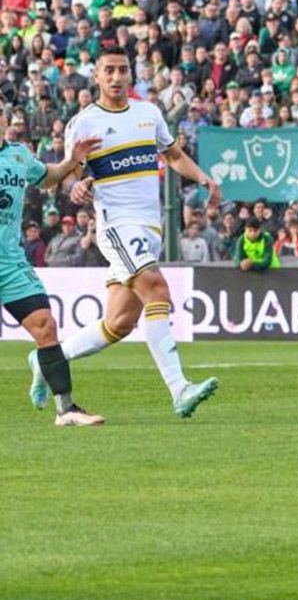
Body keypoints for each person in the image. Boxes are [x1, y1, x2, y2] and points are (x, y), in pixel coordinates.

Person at [47, 45, 221, 419]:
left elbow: (173, 155)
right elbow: (70, 175)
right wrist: (75, 186)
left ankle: (49, 358)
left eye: (122, 69)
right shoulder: (84, 123)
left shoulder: (148, 113)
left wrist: (201, 176)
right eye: (108, 70)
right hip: (116, 224)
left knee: (119, 323)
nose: (116, 77)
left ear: (131, 73)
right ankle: (179, 389)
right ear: (96, 76)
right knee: (157, 289)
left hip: (149, 226)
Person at [0, 112, 106, 425]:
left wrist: (72, 158)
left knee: (45, 326)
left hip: (10, 263)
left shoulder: (18, 155)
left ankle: (66, 410)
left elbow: (48, 177)